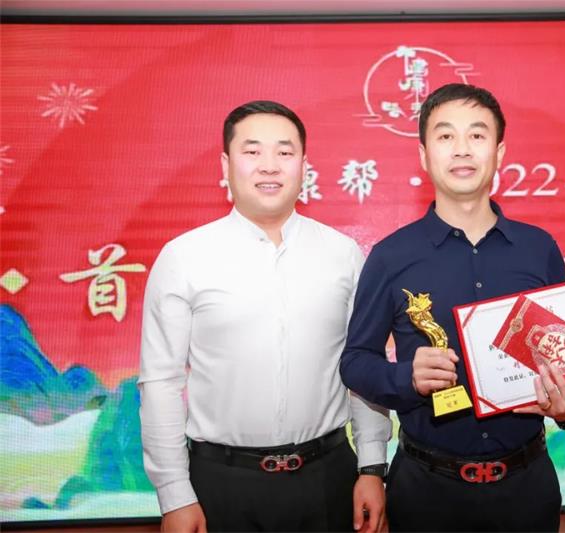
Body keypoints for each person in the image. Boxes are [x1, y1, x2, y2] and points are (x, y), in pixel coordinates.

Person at [340, 83, 565, 532]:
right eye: (445, 136)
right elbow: (355, 362)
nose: (462, 149)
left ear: (499, 151)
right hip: (426, 491)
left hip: (526, 488)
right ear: (423, 155)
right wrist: (405, 377)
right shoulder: (391, 257)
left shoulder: (539, 249)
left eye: (476, 135)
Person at [139, 100, 392, 533]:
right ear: (226, 164)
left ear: (304, 165)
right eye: (252, 151)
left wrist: (371, 467)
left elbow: (363, 365)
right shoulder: (184, 257)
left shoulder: (343, 254)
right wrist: (174, 495)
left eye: (284, 152)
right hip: (221, 484)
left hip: (328, 477)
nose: (269, 165)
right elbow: (161, 381)